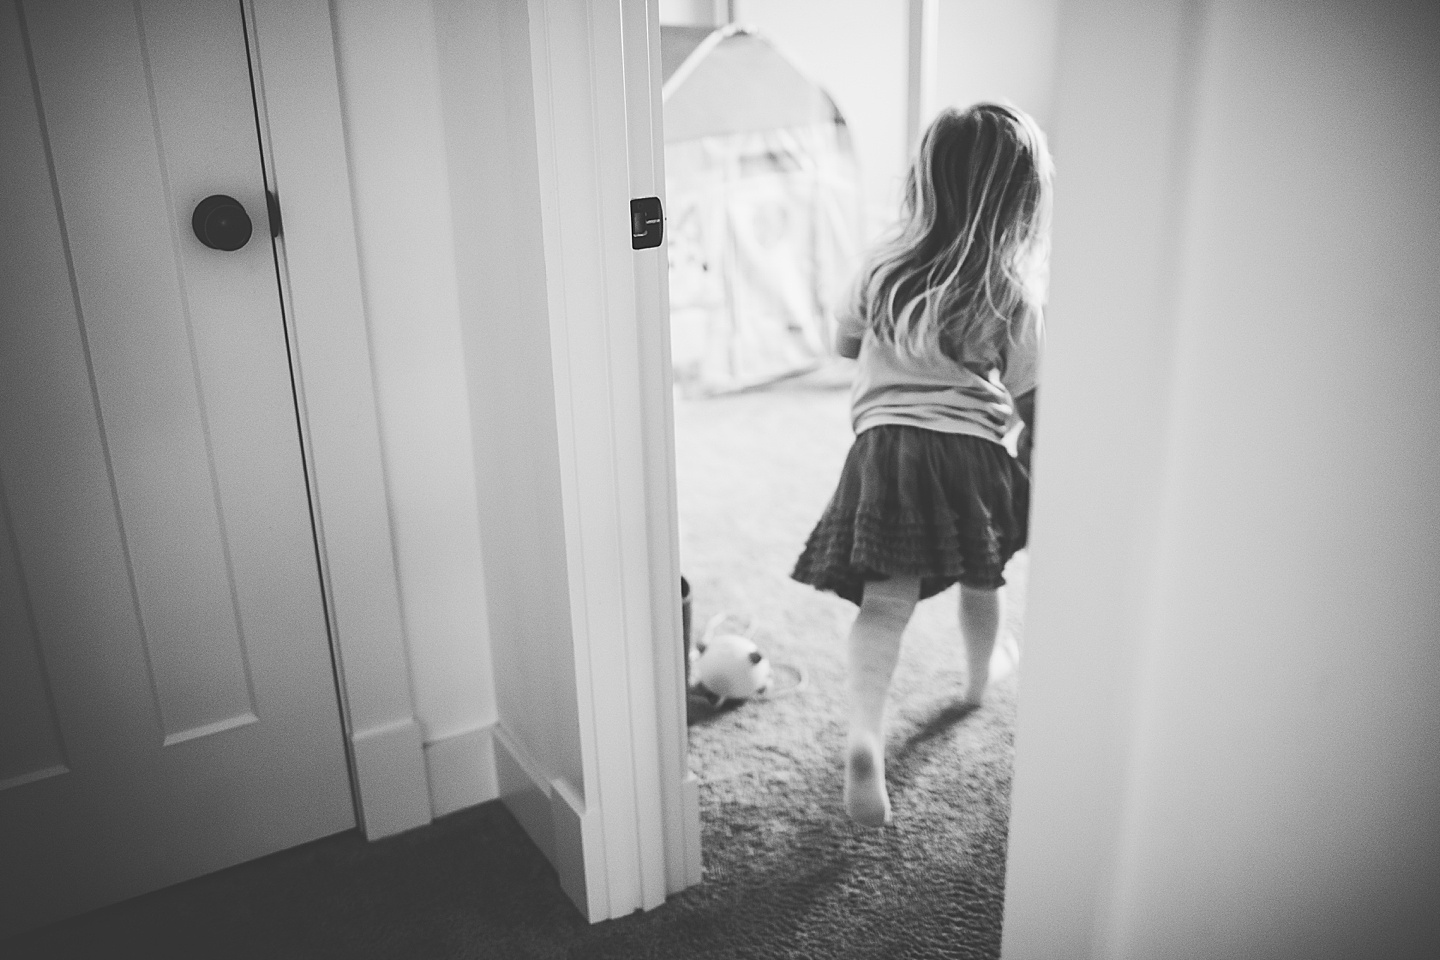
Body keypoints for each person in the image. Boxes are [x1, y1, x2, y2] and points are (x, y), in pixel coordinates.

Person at [790, 103, 1053, 827]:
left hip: (884, 451)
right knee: (982, 571)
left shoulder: (882, 265)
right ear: (1023, 200)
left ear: (922, 182)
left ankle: (864, 736)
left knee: (885, 605)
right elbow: (1038, 403)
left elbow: (841, 344)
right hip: (970, 457)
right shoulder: (1013, 291)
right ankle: (976, 682)